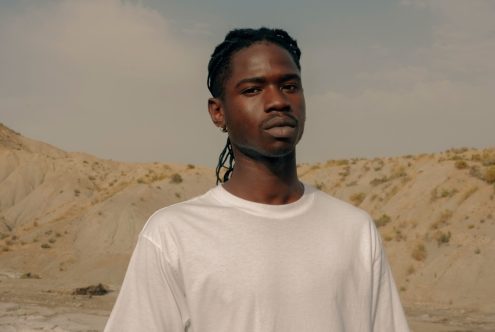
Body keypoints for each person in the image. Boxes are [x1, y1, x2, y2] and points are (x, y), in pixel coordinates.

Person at [104, 27, 410, 332]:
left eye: (290, 86)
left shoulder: (355, 229)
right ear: (218, 112)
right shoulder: (173, 234)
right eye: (253, 89)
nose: (278, 101)